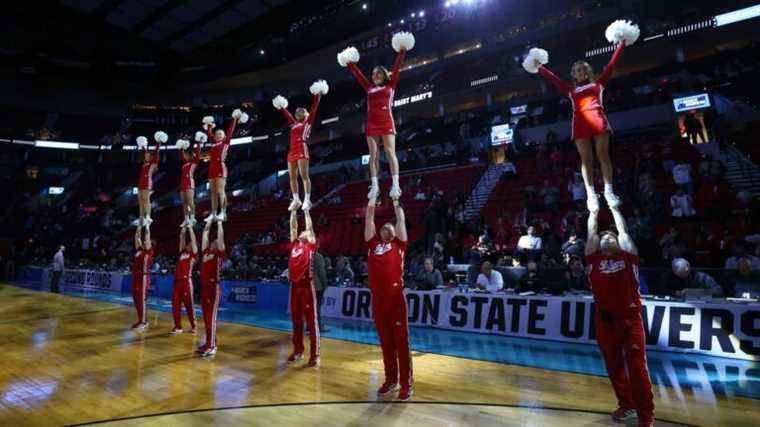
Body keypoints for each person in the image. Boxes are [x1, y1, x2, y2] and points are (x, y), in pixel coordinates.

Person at [524, 20, 640, 211]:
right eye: (577, 71)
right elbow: (554, 79)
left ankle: (609, 191)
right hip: (579, 123)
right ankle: (591, 194)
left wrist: (621, 44)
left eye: (583, 69)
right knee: (586, 159)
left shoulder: (599, 84)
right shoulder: (570, 90)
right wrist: (539, 66)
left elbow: (611, 64)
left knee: (603, 154)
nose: (581, 72)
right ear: (574, 75)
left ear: (588, 72)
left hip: (597, 119)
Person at [585, 202, 654, 427]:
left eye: (611, 237)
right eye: (604, 237)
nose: (606, 238)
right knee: (613, 365)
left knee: (637, 367)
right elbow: (591, 232)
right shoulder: (593, 259)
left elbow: (623, 232)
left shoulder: (628, 257)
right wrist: (593, 211)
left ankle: (646, 415)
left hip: (629, 319)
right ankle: (627, 405)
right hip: (604, 320)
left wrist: (614, 208)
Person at [339, 31, 416, 200]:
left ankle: (395, 185)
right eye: (373, 74)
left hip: (387, 122)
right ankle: (374, 186)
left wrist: (402, 51)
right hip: (372, 125)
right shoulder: (368, 88)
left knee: (390, 153)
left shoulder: (392, 85)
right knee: (373, 156)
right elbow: (358, 75)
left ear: (384, 75)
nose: (375, 76)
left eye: (378, 73)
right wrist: (349, 64)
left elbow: (397, 67)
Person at [364, 195, 412, 401]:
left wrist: (395, 202)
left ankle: (406, 384)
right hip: (378, 299)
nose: (387, 229)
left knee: (401, 342)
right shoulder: (372, 245)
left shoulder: (400, 245)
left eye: (390, 227)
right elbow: (368, 220)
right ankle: (391, 380)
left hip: (395, 298)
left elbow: (400, 220)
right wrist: (372, 201)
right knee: (385, 342)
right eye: (383, 227)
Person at [273, 80, 327, 212]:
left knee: (304, 175)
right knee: (291, 177)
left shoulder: (308, 122)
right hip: (292, 151)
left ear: (306, 114)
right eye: (297, 111)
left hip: (302, 148)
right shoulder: (293, 123)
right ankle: (296, 199)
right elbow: (287, 114)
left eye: (301, 111)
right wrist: (282, 107)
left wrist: (318, 94)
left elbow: (314, 107)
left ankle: (307, 200)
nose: (298, 112)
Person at [287, 208, 320, 366]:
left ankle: (315, 354)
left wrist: (306, 211)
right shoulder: (295, 244)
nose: (302, 232)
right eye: (302, 232)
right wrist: (293, 212)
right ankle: (298, 350)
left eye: (305, 231)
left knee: (311, 322)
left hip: (307, 286)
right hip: (294, 287)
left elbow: (310, 228)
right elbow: (293, 227)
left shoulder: (311, 245)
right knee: (296, 321)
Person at [202, 109, 247, 222]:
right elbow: (209, 133)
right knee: (212, 192)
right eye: (217, 134)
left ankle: (222, 212)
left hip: (221, 168)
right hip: (211, 169)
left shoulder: (225, 142)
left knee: (220, 191)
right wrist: (209, 125)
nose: (218, 135)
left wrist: (234, 119)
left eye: (221, 134)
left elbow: (231, 130)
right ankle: (213, 214)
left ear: (224, 136)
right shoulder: (213, 143)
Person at [199, 220, 227, 357]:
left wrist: (220, 222)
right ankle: (208, 342)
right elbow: (204, 235)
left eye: (216, 242)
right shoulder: (205, 253)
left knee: (211, 318)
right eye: (213, 241)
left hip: (213, 288)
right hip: (204, 288)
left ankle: (212, 346)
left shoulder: (219, 255)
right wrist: (208, 224)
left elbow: (221, 239)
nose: (215, 241)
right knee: (205, 317)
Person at [170, 224, 198, 335]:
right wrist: (183, 230)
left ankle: (194, 326)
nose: (188, 245)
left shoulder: (193, 255)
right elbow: (181, 240)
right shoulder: (182, 253)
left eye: (190, 244)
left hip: (186, 282)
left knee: (189, 306)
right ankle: (178, 327)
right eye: (188, 244)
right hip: (177, 282)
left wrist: (190, 228)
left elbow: (194, 241)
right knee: (175, 305)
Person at [134, 132, 164, 227]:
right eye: (145, 155)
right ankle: (141, 218)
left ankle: (148, 217)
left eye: (148, 155)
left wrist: (158, 142)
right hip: (140, 183)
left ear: (151, 157)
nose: (146, 156)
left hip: (148, 182)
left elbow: (156, 151)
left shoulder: (153, 162)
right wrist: (142, 144)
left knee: (146, 200)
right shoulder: (144, 163)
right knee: (141, 201)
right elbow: (144, 150)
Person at [131, 225, 154, 331]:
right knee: (136, 300)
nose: (144, 242)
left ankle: (144, 322)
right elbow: (136, 237)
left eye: (146, 242)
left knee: (142, 300)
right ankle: (140, 320)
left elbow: (147, 237)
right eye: (143, 242)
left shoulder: (149, 252)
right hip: (136, 277)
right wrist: (140, 226)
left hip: (144, 278)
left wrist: (147, 225)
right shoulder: (139, 250)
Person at [178, 138, 201, 227]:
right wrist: (181, 147)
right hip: (182, 184)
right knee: (184, 203)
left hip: (189, 183)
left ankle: (192, 218)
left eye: (187, 155)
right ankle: (186, 219)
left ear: (191, 156)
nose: (185, 156)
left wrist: (198, 143)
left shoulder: (194, 163)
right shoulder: (184, 164)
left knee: (190, 201)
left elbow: (198, 154)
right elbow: (182, 154)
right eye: (185, 155)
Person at [312, 250, 330, 332]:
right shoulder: (318, 256)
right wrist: (325, 284)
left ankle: (309, 327)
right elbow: (321, 273)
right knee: (316, 308)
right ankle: (317, 327)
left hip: (305, 285)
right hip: (316, 286)